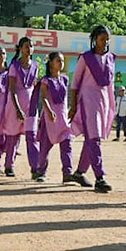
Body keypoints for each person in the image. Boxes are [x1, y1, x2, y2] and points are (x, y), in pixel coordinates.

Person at [69, 25, 117, 193]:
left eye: (107, 40)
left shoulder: (111, 58)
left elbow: (110, 86)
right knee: (94, 137)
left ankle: (80, 172)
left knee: (92, 139)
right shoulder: (86, 58)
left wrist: (112, 106)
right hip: (88, 101)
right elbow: (75, 84)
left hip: (103, 102)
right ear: (94, 39)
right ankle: (100, 177)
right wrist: (74, 106)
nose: (105, 43)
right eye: (102, 39)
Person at [34, 51, 79, 183]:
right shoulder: (45, 81)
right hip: (49, 119)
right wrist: (49, 111)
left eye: (62, 61)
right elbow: (44, 97)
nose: (61, 63)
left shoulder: (64, 79)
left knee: (67, 145)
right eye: (58, 61)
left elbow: (66, 98)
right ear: (51, 63)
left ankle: (67, 173)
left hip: (62, 118)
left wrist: (70, 110)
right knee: (45, 148)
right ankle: (41, 172)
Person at [2, 37, 40, 179]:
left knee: (32, 137)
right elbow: (12, 89)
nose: (29, 48)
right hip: (15, 104)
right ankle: (9, 166)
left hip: (30, 104)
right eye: (26, 46)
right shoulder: (14, 66)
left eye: (31, 46)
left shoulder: (35, 66)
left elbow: (34, 86)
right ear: (20, 49)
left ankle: (35, 167)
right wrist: (17, 109)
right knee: (13, 136)